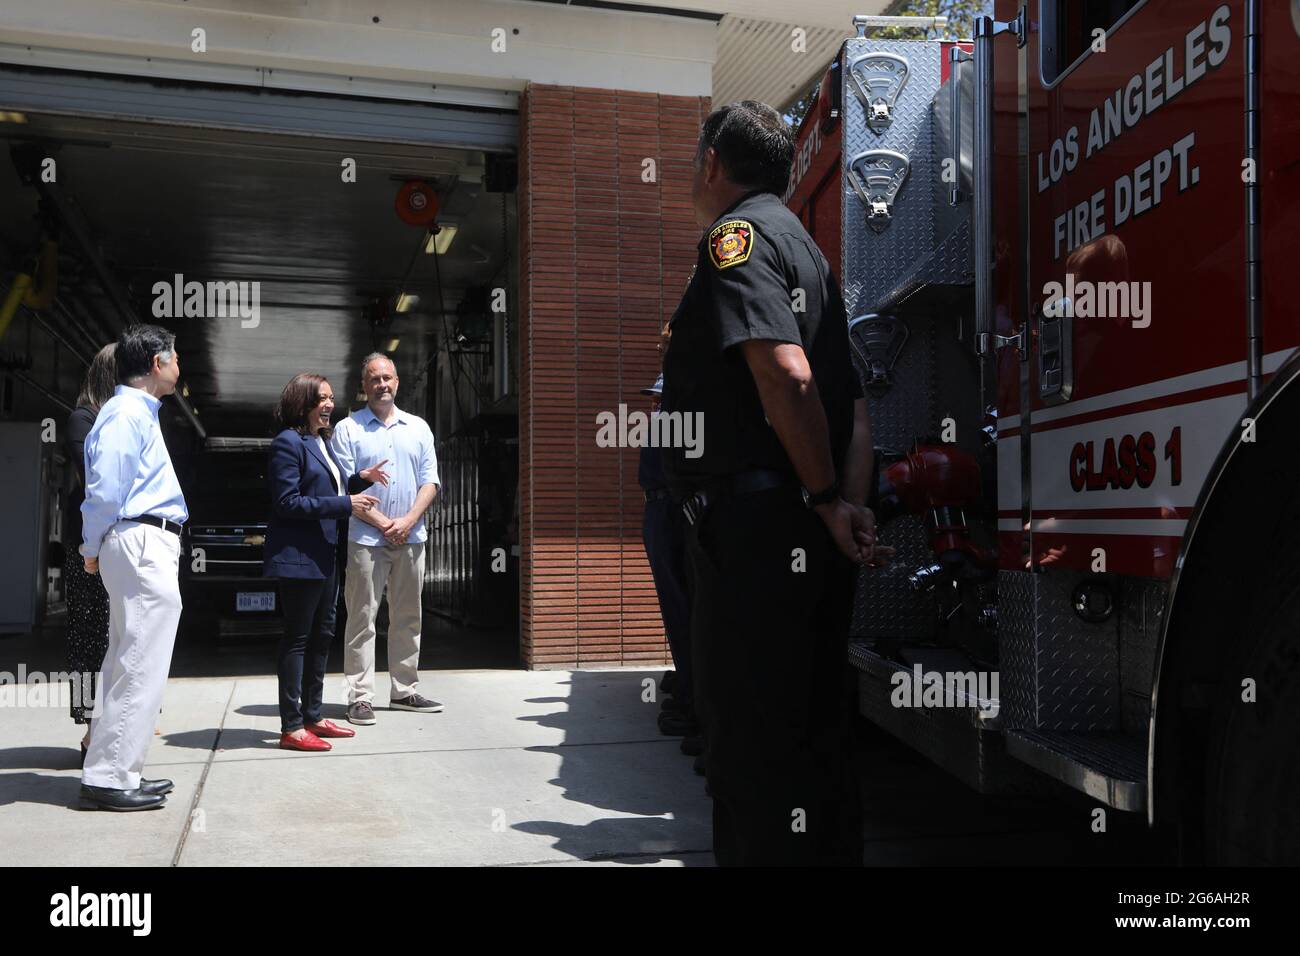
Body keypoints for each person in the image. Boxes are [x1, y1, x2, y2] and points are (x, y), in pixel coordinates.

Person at [661, 101, 891, 865]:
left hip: (756, 537)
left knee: (750, 753)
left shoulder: (738, 239)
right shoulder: (811, 251)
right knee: (816, 740)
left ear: (713, 164)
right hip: (805, 532)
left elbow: (786, 375)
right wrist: (844, 506)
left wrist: (828, 503)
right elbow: (855, 409)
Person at [79, 324, 188, 811]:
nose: (179, 365)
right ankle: (112, 778)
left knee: (125, 661)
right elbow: (104, 490)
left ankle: (114, 769)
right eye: (175, 357)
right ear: (156, 364)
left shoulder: (133, 412)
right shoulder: (126, 412)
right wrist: (90, 545)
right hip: (142, 540)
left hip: (141, 541)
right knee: (140, 664)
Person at [264, 373, 391, 751]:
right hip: (299, 559)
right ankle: (291, 726)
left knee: (322, 637)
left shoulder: (322, 442)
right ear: (302, 402)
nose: (330, 404)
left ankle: (313, 716)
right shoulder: (288, 443)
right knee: (298, 639)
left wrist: (358, 481)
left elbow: (329, 487)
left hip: (324, 555)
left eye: (332, 398)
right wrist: (346, 505)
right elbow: (288, 502)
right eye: (323, 398)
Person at [331, 353, 442, 725]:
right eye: (374, 379)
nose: (382, 384)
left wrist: (407, 521)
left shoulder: (419, 428)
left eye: (388, 378)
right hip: (365, 540)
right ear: (364, 387)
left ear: (397, 382)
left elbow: (431, 481)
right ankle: (360, 696)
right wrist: (384, 524)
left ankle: (404, 690)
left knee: (409, 615)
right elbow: (346, 486)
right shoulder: (348, 429)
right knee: (363, 617)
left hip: (411, 537)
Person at [638, 369, 699, 750]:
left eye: (662, 398)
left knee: (685, 611)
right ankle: (689, 687)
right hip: (660, 511)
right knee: (677, 611)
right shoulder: (664, 421)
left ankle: (695, 701)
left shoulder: (683, 425)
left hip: (673, 512)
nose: (656, 404)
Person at [64, 343, 116, 764]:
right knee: (88, 634)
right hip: (87, 544)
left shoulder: (126, 420)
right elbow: (93, 478)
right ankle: (88, 727)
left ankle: (112, 722)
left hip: (119, 543)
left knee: (118, 633)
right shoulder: (84, 418)